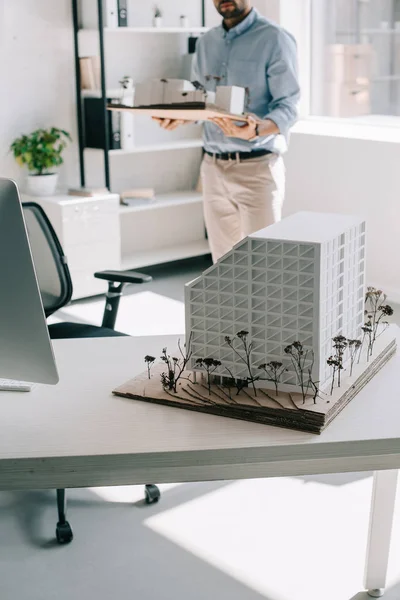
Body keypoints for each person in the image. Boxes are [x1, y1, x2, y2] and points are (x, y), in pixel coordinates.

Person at [154, 0, 300, 263]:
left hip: (257, 168)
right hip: (212, 168)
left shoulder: (275, 38)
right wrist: (181, 117)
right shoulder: (206, 42)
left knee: (266, 267)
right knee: (223, 268)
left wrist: (256, 130)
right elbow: (202, 101)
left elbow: (288, 107)